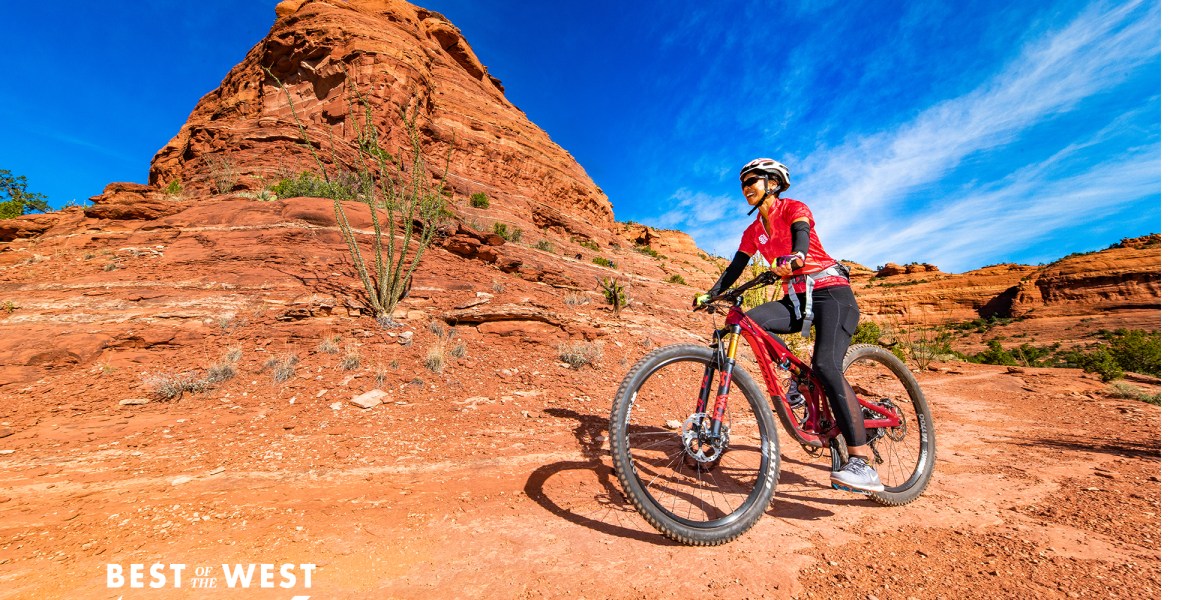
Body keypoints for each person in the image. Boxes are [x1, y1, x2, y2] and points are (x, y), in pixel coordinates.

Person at [694, 157, 881, 493]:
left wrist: (796, 258)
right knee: (748, 321)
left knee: (825, 364)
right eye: (743, 184)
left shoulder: (794, 207)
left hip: (831, 294)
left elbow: (802, 237)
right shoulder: (752, 231)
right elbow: (735, 267)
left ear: (774, 183)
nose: (746, 188)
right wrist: (710, 294)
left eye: (754, 180)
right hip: (796, 301)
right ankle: (799, 382)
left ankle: (862, 463)